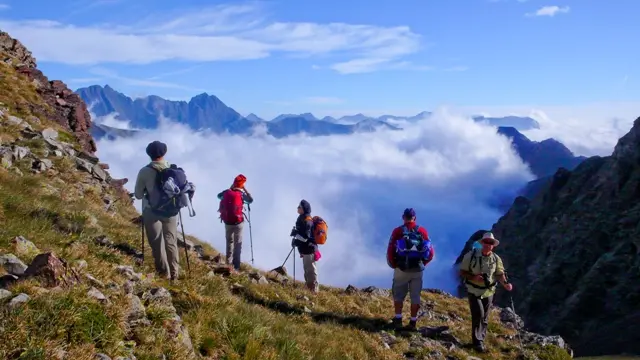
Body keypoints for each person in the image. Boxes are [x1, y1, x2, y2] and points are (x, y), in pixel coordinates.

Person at [458, 231, 513, 353]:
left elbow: (499, 273)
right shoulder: (470, 255)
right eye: (486, 242)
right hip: (473, 290)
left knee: (485, 317)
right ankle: (478, 342)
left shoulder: (496, 259)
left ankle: (479, 340)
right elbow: (462, 272)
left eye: (490, 243)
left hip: (488, 292)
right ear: (482, 243)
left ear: (493, 245)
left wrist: (506, 284)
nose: (488, 244)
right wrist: (473, 277)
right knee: (479, 315)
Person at [134, 140, 180, 280]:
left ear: (149, 154)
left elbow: (138, 195)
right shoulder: (173, 170)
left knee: (156, 243)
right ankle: (175, 274)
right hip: (171, 211)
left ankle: (163, 273)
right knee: (171, 241)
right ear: (164, 153)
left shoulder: (144, 171)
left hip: (151, 210)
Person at [386, 208, 435, 330]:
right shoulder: (422, 231)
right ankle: (413, 322)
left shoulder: (397, 231)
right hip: (417, 270)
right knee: (415, 296)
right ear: (415, 218)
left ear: (403, 217)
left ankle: (398, 319)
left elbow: (390, 250)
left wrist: (394, 265)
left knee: (398, 294)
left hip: (401, 269)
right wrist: (423, 264)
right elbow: (431, 252)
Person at [217, 174, 254, 272]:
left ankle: (228, 264)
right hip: (238, 223)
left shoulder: (226, 192)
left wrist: (230, 189)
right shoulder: (241, 194)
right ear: (242, 185)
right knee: (238, 244)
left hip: (228, 222)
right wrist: (245, 189)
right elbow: (251, 200)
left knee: (229, 242)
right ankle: (236, 267)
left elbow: (218, 196)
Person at [290, 199, 320, 293]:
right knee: (307, 270)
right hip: (306, 249)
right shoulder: (302, 218)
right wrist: (297, 239)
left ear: (303, 209)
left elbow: (306, 237)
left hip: (309, 249)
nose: (297, 208)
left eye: (299, 207)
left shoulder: (307, 221)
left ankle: (314, 291)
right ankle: (310, 288)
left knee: (310, 270)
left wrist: (296, 236)